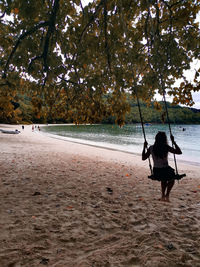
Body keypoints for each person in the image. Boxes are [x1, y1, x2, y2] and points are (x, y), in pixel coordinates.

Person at [142, 131, 182, 202]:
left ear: (156, 139)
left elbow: (143, 158)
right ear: (164, 139)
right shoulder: (166, 147)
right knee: (171, 179)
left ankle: (163, 195)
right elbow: (179, 152)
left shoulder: (151, 148)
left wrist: (144, 147)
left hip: (157, 171)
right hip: (166, 170)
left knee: (164, 179)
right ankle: (167, 195)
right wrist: (174, 142)